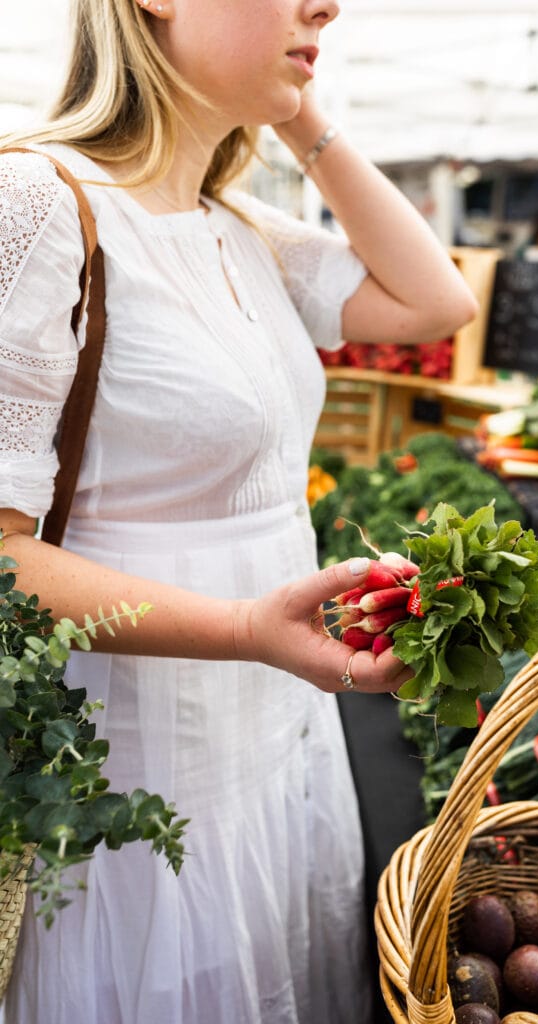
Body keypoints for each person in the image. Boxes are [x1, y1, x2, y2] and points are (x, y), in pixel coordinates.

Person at [0, 1, 478, 1022]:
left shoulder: (240, 228)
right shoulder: (34, 201)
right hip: (135, 759)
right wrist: (242, 629)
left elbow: (435, 304)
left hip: (275, 740)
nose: (327, 7)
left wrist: (301, 116)